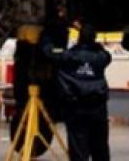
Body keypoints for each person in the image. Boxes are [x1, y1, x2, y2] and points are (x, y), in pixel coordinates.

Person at [42, 23, 112, 161]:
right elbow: (107, 55)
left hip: (76, 108)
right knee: (100, 147)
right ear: (94, 38)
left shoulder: (69, 56)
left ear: (79, 37)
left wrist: (46, 36)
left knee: (78, 148)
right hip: (98, 108)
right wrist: (95, 44)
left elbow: (49, 53)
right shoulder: (100, 57)